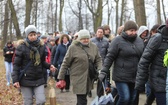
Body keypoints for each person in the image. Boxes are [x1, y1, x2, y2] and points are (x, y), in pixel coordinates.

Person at [99, 20, 144, 105]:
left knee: (132, 99)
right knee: (125, 98)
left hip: (135, 76)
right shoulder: (117, 41)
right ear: (125, 30)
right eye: (131, 30)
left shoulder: (139, 41)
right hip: (121, 76)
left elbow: (143, 57)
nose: (134, 33)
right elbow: (109, 57)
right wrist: (104, 71)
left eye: (135, 30)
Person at [12, 25, 56, 105]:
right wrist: (15, 80)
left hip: (38, 78)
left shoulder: (41, 47)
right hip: (25, 79)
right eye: (30, 35)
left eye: (34, 34)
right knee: (28, 102)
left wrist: (49, 66)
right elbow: (16, 65)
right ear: (27, 36)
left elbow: (42, 62)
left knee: (41, 101)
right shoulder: (21, 47)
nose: (33, 37)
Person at [57, 29, 102, 105]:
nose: (86, 40)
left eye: (87, 38)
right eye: (83, 38)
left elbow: (98, 59)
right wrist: (61, 77)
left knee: (82, 99)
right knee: (82, 100)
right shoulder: (73, 47)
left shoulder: (93, 47)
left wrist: (100, 69)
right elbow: (65, 63)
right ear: (79, 39)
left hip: (89, 78)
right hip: (77, 77)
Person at [135, 19, 168, 105]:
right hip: (158, 80)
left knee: (150, 99)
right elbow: (144, 60)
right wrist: (140, 83)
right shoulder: (157, 38)